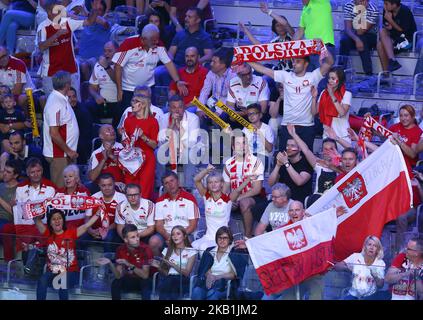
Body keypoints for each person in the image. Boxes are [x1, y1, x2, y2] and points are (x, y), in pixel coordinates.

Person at [248, 44, 334, 151]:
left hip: (307, 126)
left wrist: (322, 47)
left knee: (306, 160)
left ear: (306, 63)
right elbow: (264, 70)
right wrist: (246, 59)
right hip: (287, 124)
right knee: (284, 158)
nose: (294, 64)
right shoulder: (285, 75)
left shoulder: (313, 76)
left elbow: (329, 62)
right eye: (293, 61)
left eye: (298, 61)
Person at [112, 23, 186, 118]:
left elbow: (169, 63)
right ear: (143, 40)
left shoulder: (159, 45)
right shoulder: (128, 44)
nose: (156, 42)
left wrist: (177, 81)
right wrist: (119, 90)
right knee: (128, 118)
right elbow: (118, 66)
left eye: (157, 39)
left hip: (149, 89)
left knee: (150, 118)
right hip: (129, 90)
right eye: (153, 40)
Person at [34, 208, 101, 300]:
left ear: (63, 220)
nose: (57, 221)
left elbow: (86, 226)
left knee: (62, 280)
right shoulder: (47, 234)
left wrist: (97, 214)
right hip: (52, 272)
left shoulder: (71, 233)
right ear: (50, 223)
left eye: (59, 218)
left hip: (71, 273)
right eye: (54, 219)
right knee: (42, 280)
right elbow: (37, 220)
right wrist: (36, 212)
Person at [37, 0, 98, 97]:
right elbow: (41, 47)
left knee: (74, 102)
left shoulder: (67, 22)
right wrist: (57, 34)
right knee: (53, 103)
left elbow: (89, 22)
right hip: (51, 72)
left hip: (70, 70)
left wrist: (95, 10)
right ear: (49, 12)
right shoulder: (42, 27)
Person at [2, 158, 56, 262]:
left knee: (38, 233)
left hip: (43, 224)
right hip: (25, 224)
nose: (36, 174)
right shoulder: (21, 187)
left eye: (38, 171)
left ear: (42, 171)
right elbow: (17, 211)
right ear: (27, 173)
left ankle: (35, 263)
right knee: (6, 229)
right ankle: (9, 263)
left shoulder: (51, 187)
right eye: (32, 172)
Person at [192, 164, 255, 251]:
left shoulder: (227, 198)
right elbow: (196, 180)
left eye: (216, 182)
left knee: (203, 247)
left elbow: (238, 190)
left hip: (222, 237)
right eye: (210, 182)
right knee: (194, 245)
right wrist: (206, 171)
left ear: (222, 184)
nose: (213, 184)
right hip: (208, 236)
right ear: (208, 185)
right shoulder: (206, 196)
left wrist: (248, 179)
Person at [222, 133, 266, 238]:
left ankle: (247, 238)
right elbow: (225, 188)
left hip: (254, 198)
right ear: (233, 147)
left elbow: (256, 189)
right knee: (220, 203)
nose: (241, 146)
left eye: (244, 143)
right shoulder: (228, 163)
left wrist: (238, 198)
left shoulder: (256, 161)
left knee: (244, 203)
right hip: (235, 197)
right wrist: (227, 201)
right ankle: (223, 237)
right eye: (238, 144)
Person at [97, 224, 153, 300]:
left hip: (142, 280)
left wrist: (128, 264)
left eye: (137, 236)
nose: (137, 239)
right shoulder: (120, 249)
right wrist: (110, 263)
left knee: (146, 283)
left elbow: (145, 275)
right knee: (115, 283)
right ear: (126, 240)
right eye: (133, 237)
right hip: (129, 280)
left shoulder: (146, 249)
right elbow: (118, 276)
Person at [42, 71, 79, 188]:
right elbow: (54, 133)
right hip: (59, 154)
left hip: (64, 154)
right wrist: (68, 151)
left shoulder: (61, 99)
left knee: (70, 189)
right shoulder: (55, 103)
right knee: (60, 189)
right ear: (67, 84)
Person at [191, 226, 248, 300]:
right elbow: (204, 268)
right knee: (196, 292)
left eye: (225, 238)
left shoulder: (234, 253)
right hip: (208, 281)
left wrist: (217, 277)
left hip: (225, 285)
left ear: (230, 239)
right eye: (220, 238)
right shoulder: (209, 250)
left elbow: (234, 275)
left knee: (212, 296)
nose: (222, 240)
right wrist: (209, 275)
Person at [157, 94, 200, 190]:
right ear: (169, 108)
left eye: (180, 107)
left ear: (184, 107)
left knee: (188, 153)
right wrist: (171, 126)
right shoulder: (163, 118)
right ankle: (161, 186)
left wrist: (180, 128)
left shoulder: (193, 118)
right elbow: (160, 143)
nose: (177, 110)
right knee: (158, 153)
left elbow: (192, 143)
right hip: (169, 148)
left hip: (189, 148)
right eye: (174, 107)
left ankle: (188, 187)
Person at [122, 93, 159, 200]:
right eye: (132, 101)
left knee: (145, 190)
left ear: (142, 104)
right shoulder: (128, 120)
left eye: (135, 101)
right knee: (130, 187)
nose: (131, 104)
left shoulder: (152, 121)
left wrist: (143, 137)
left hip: (147, 159)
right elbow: (125, 143)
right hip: (131, 158)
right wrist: (124, 136)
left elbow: (154, 145)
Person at [240, 2, 295, 72]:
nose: (281, 27)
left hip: (295, 72)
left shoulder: (293, 36)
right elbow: (259, 45)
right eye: (278, 25)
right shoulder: (275, 41)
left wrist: (268, 11)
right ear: (274, 28)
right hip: (280, 73)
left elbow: (285, 23)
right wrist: (245, 30)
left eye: (281, 24)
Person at [155, 171, 199, 249]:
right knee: (154, 241)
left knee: (186, 242)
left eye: (172, 181)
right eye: (166, 183)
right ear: (164, 186)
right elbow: (159, 225)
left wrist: (179, 237)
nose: (170, 185)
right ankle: (160, 261)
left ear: (178, 181)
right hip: (167, 234)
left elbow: (193, 225)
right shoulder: (160, 201)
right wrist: (168, 236)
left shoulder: (190, 199)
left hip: (185, 233)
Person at [151, 225, 197, 300]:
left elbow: (186, 273)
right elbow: (165, 272)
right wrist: (158, 267)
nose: (175, 236)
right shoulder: (166, 251)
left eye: (178, 234)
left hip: (182, 280)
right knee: (168, 281)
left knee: (170, 282)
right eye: (173, 234)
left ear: (184, 236)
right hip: (168, 279)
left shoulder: (191, 251)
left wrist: (171, 264)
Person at [335, 235, 387, 300]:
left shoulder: (380, 263)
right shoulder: (356, 256)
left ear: (377, 249)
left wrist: (375, 276)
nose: (371, 247)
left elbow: (380, 285)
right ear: (365, 247)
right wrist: (348, 268)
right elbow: (337, 267)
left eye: (375, 246)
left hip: (371, 296)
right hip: (353, 295)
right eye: (369, 244)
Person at [83, 173, 126, 252]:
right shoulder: (93, 198)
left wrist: (104, 230)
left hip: (113, 229)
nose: (107, 188)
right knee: (79, 238)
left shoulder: (122, 199)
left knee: (108, 237)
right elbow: (87, 217)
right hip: (95, 230)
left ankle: (108, 263)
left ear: (114, 184)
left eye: (109, 185)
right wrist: (90, 230)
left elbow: (120, 222)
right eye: (103, 185)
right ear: (99, 185)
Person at [268, 138, 314, 204]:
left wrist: (286, 163)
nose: (289, 148)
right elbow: (271, 184)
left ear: (300, 149)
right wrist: (278, 165)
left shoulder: (306, 162)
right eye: (288, 145)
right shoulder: (284, 161)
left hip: (298, 202)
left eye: (292, 146)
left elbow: (299, 181)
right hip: (281, 201)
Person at [340, 0, 379, 76]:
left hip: (370, 35)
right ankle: (340, 72)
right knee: (344, 40)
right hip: (354, 34)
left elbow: (360, 31)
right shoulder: (349, 5)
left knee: (362, 39)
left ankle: (368, 73)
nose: (361, 2)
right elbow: (348, 29)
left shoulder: (373, 10)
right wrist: (356, 39)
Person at [377, 0, 417, 73]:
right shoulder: (387, 10)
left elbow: (403, 31)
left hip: (407, 40)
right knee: (382, 32)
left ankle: (387, 73)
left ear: (394, 5)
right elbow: (387, 26)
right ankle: (392, 62)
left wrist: (390, 20)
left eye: (386, 4)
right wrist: (389, 26)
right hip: (394, 37)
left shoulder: (405, 11)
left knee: (380, 45)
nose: (384, 6)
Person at [88, 41, 120, 127]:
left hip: (118, 103)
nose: (106, 54)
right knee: (86, 108)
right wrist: (96, 96)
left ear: (117, 52)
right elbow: (92, 87)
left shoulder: (121, 65)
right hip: (103, 103)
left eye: (109, 51)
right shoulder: (98, 66)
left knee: (121, 110)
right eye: (105, 51)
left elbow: (118, 81)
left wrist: (106, 67)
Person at [318, 67, 352, 148]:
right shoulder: (324, 93)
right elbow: (314, 112)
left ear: (340, 80)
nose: (330, 80)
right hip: (327, 135)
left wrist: (332, 95)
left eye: (333, 78)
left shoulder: (347, 94)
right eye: (329, 78)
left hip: (342, 135)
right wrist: (313, 97)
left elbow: (342, 113)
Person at [197, 48, 235, 118]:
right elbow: (204, 92)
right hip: (213, 104)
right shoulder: (211, 73)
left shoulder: (233, 76)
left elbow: (229, 98)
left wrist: (218, 112)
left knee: (222, 117)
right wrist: (200, 108)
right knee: (200, 116)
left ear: (223, 65)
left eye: (214, 62)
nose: (211, 64)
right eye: (211, 61)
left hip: (227, 107)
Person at [115, 183, 156, 248]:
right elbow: (120, 226)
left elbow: (151, 228)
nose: (133, 197)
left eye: (135, 195)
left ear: (140, 195)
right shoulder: (120, 207)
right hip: (128, 235)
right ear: (125, 196)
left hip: (144, 234)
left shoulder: (149, 205)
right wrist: (126, 239)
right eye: (130, 195)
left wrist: (135, 237)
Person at [87, 124, 124, 192]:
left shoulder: (123, 148)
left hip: (121, 186)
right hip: (103, 189)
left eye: (113, 129)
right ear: (101, 136)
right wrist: (103, 160)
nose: (112, 131)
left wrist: (112, 156)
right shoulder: (96, 153)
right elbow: (92, 177)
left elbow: (129, 170)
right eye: (108, 129)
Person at [53, 164, 91, 229]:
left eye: (70, 176)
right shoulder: (58, 193)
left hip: (80, 229)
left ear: (77, 179)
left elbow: (88, 213)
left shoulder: (84, 192)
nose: (67, 179)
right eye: (65, 177)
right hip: (62, 229)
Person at [66, 86, 94, 165]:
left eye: (74, 96)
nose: (72, 99)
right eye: (69, 97)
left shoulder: (83, 111)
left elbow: (85, 133)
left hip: (81, 142)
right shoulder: (63, 109)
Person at [0, 46, 33, 111]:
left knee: (21, 98)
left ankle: (24, 119)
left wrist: (3, 97)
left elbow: (17, 91)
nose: (1, 60)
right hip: (4, 94)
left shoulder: (18, 64)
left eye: (3, 56)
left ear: (8, 54)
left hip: (24, 94)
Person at [0, 160, 20, 231]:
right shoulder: (1, 185)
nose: (4, 173)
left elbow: (13, 212)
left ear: (15, 175)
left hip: (5, 220)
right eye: (4, 170)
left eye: (8, 172)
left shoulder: (19, 189)